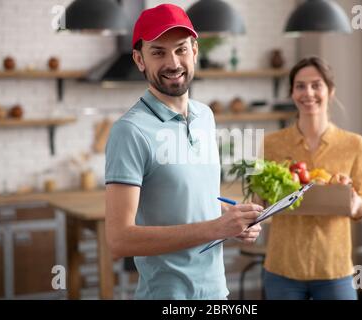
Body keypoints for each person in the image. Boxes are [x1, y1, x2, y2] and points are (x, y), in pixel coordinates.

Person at [104, 4, 263, 300]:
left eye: (180, 49)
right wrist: (216, 228)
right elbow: (118, 239)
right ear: (139, 59)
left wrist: (232, 219)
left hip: (216, 293)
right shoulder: (130, 131)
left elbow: (193, 200)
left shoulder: (205, 116)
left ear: (194, 50)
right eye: (158, 52)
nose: (173, 62)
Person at [261, 56, 362, 300]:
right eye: (300, 86)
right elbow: (262, 201)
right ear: (291, 93)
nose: (308, 93)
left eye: (316, 85)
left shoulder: (355, 145)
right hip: (283, 266)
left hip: (334, 267)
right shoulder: (271, 144)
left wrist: (355, 205)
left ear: (330, 91)